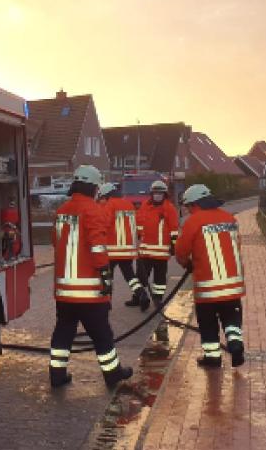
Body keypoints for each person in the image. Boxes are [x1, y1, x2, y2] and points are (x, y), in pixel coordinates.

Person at [49, 165, 134, 389]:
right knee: (102, 334)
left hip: (64, 291)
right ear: (93, 188)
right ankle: (113, 374)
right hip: (88, 292)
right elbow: (97, 247)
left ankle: (57, 375)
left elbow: (56, 244)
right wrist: (106, 276)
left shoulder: (61, 212)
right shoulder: (93, 210)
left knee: (63, 332)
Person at [174, 184, 245, 368]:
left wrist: (186, 263)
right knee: (231, 317)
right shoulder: (230, 219)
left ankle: (213, 358)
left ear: (195, 204)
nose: (188, 210)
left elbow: (181, 251)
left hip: (207, 287)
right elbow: (236, 246)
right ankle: (235, 343)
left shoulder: (192, 222)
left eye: (188, 206)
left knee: (208, 323)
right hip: (232, 285)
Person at [97, 182, 148, 311]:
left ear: (107, 195)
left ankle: (106, 303)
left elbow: (104, 223)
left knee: (108, 277)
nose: (101, 200)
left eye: (102, 198)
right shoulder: (128, 204)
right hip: (128, 250)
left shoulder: (109, 205)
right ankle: (141, 293)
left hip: (112, 249)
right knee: (130, 275)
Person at [136, 180, 178, 305]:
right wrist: (139, 234)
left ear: (164, 194)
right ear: (151, 193)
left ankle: (158, 299)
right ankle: (139, 297)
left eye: (160, 193)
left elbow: (174, 229)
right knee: (141, 276)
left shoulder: (169, 209)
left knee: (159, 279)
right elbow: (139, 222)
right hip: (145, 252)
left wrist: (174, 245)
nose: (157, 195)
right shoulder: (145, 206)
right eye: (155, 193)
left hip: (161, 252)